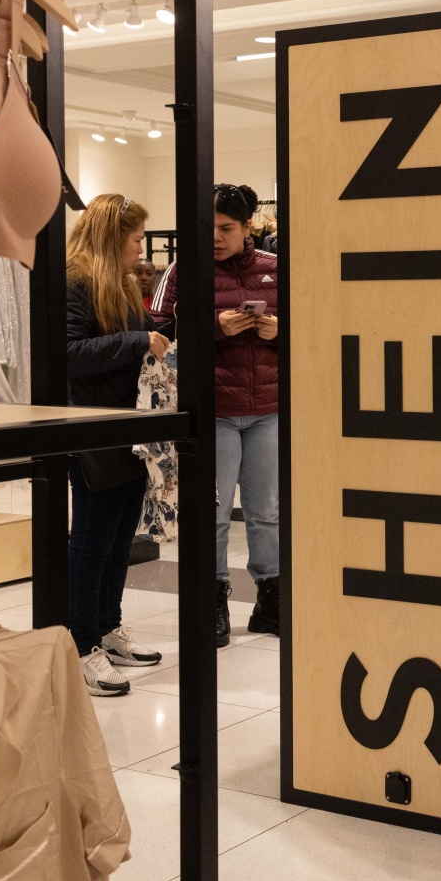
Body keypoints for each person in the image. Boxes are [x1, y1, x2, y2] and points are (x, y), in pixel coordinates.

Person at [152, 185, 281, 640]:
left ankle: (271, 596)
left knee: (267, 510)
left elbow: (316, 327)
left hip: (268, 408)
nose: (216, 237)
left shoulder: (276, 269)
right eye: (208, 228)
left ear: (248, 227)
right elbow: (156, 334)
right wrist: (214, 327)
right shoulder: (183, 271)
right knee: (215, 511)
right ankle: (214, 599)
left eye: (226, 228)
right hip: (212, 410)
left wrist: (278, 331)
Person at [66, 194, 173, 696]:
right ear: (114, 239)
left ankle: (108, 629)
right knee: (91, 542)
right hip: (93, 430)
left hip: (128, 429)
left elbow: (133, 340)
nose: (140, 250)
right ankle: (81, 644)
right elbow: (67, 355)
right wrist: (137, 344)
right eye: (135, 240)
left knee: (117, 542)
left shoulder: (124, 286)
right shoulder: (73, 282)